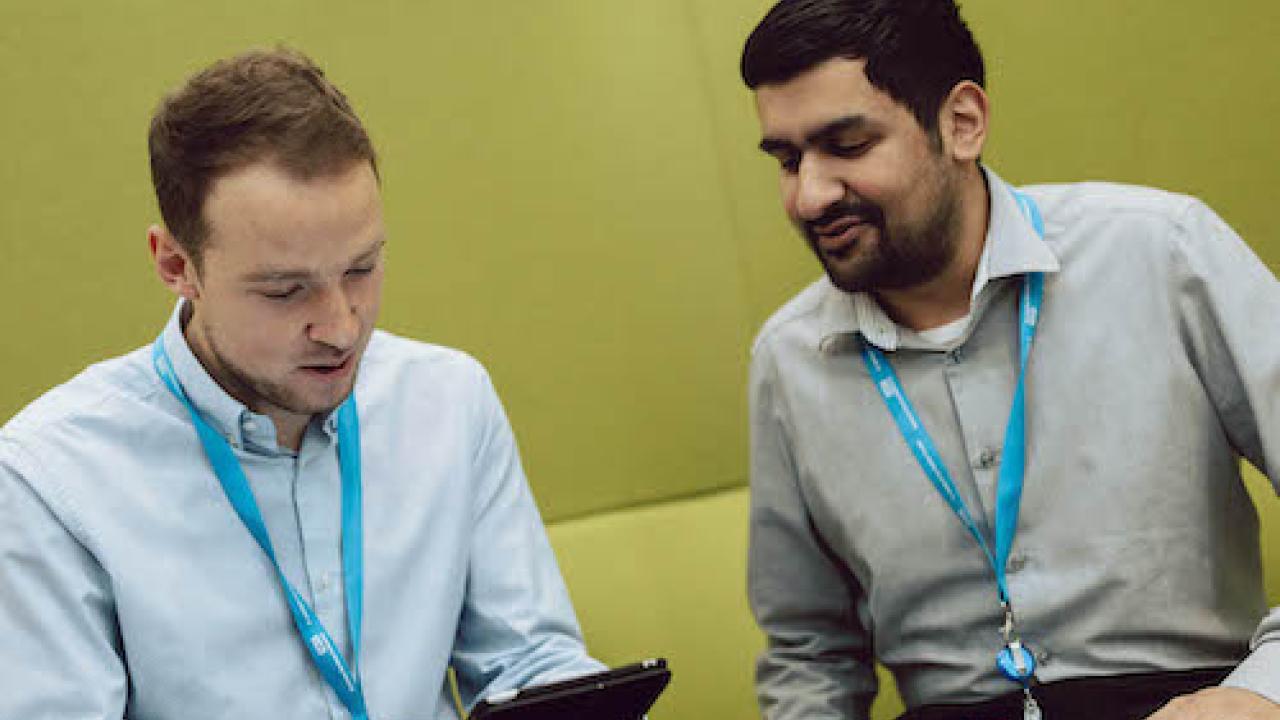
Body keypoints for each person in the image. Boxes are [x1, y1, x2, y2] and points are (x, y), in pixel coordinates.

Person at [0, 48, 603, 720]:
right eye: (285, 291)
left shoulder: (448, 402)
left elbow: (529, 666)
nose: (342, 328)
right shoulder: (49, 482)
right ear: (176, 264)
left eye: (361, 269)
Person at [740, 1, 1280, 719]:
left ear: (961, 123)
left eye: (847, 144)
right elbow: (809, 656)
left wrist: (1258, 690)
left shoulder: (1163, 252)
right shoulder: (788, 360)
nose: (809, 194)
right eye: (786, 159)